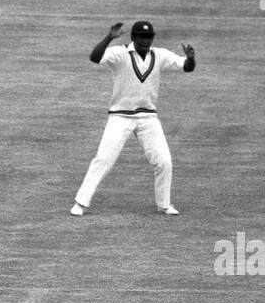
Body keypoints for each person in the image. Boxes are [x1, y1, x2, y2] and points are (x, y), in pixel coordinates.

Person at [70, 20, 195, 218]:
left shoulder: (159, 55)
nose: (146, 40)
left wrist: (190, 58)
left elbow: (186, 67)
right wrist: (109, 37)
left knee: (164, 161)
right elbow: (95, 58)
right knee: (103, 159)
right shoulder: (120, 53)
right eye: (141, 37)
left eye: (149, 37)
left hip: (148, 117)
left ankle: (164, 204)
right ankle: (80, 203)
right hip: (120, 116)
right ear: (133, 38)